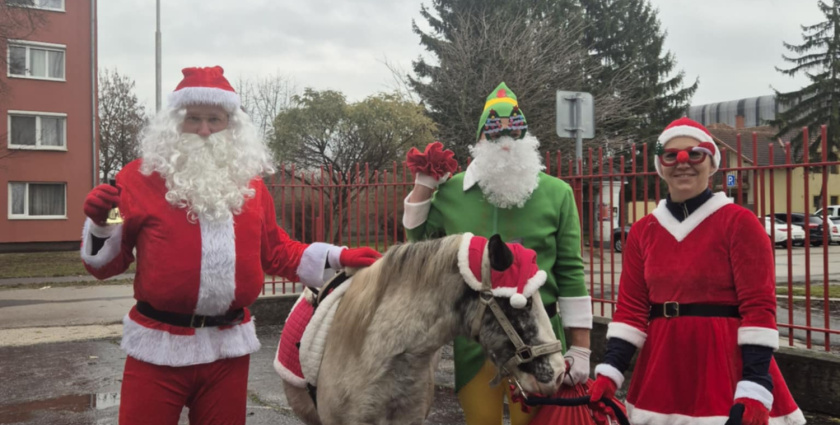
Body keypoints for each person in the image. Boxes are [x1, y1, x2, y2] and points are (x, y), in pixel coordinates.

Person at [79, 66, 381, 425]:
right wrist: (100, 223)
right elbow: (103, 267)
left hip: (227, 349)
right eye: (193, 119)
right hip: (158, 346)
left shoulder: (251, 187)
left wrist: (338, 256)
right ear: (175, 123)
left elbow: (276, 252)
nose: (204, 130)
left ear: (230, 125)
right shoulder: (137, 178)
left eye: (214, 119)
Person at [588, 117, 805, 425]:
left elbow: (758, 308)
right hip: (663, 367)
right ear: (660, 165)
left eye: (695, 154)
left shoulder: (739, 223)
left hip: (724, 366)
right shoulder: (642, 231)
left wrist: (755, 384)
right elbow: (631, 310)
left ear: (712, 162)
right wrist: (609, 374)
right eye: (671, 155)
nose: (683, 163)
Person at [403, 82, 592, 425]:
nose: (505, 138)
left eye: (515, 127)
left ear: (527, 134)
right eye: (493, 128)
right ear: (479, 138)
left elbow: (571, 272)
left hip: (539, 337)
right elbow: (418, 246)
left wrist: (580, 347)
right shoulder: (452, 194)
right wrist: (425, 185)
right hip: (477, 343)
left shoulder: (557, 193)